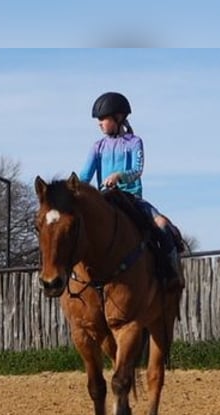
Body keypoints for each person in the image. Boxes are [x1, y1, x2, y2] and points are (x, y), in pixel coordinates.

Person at [79, 91, 184, 290]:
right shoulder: (97, 147)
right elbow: (85, 176)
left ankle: (172, 273)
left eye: (103, 118)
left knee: (161, 225)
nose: (99, 123)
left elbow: (137, 170)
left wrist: (119, 176)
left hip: (131, 197)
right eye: (98, 120)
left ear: (118, 118)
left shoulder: (135, 142)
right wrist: (72, 189)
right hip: (105, 198)